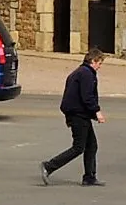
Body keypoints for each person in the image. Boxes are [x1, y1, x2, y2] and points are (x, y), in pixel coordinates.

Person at [43, 50, 105, 186]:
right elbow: (87, 96)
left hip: (79, 114)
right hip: (78, 114)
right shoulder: (86, 74)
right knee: (78, 147)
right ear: (93, 61)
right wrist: (97, 112)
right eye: (99, 63)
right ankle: (49, 165)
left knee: (91, 146)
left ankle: (89, 176)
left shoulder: (80, 72)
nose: (100, 66)